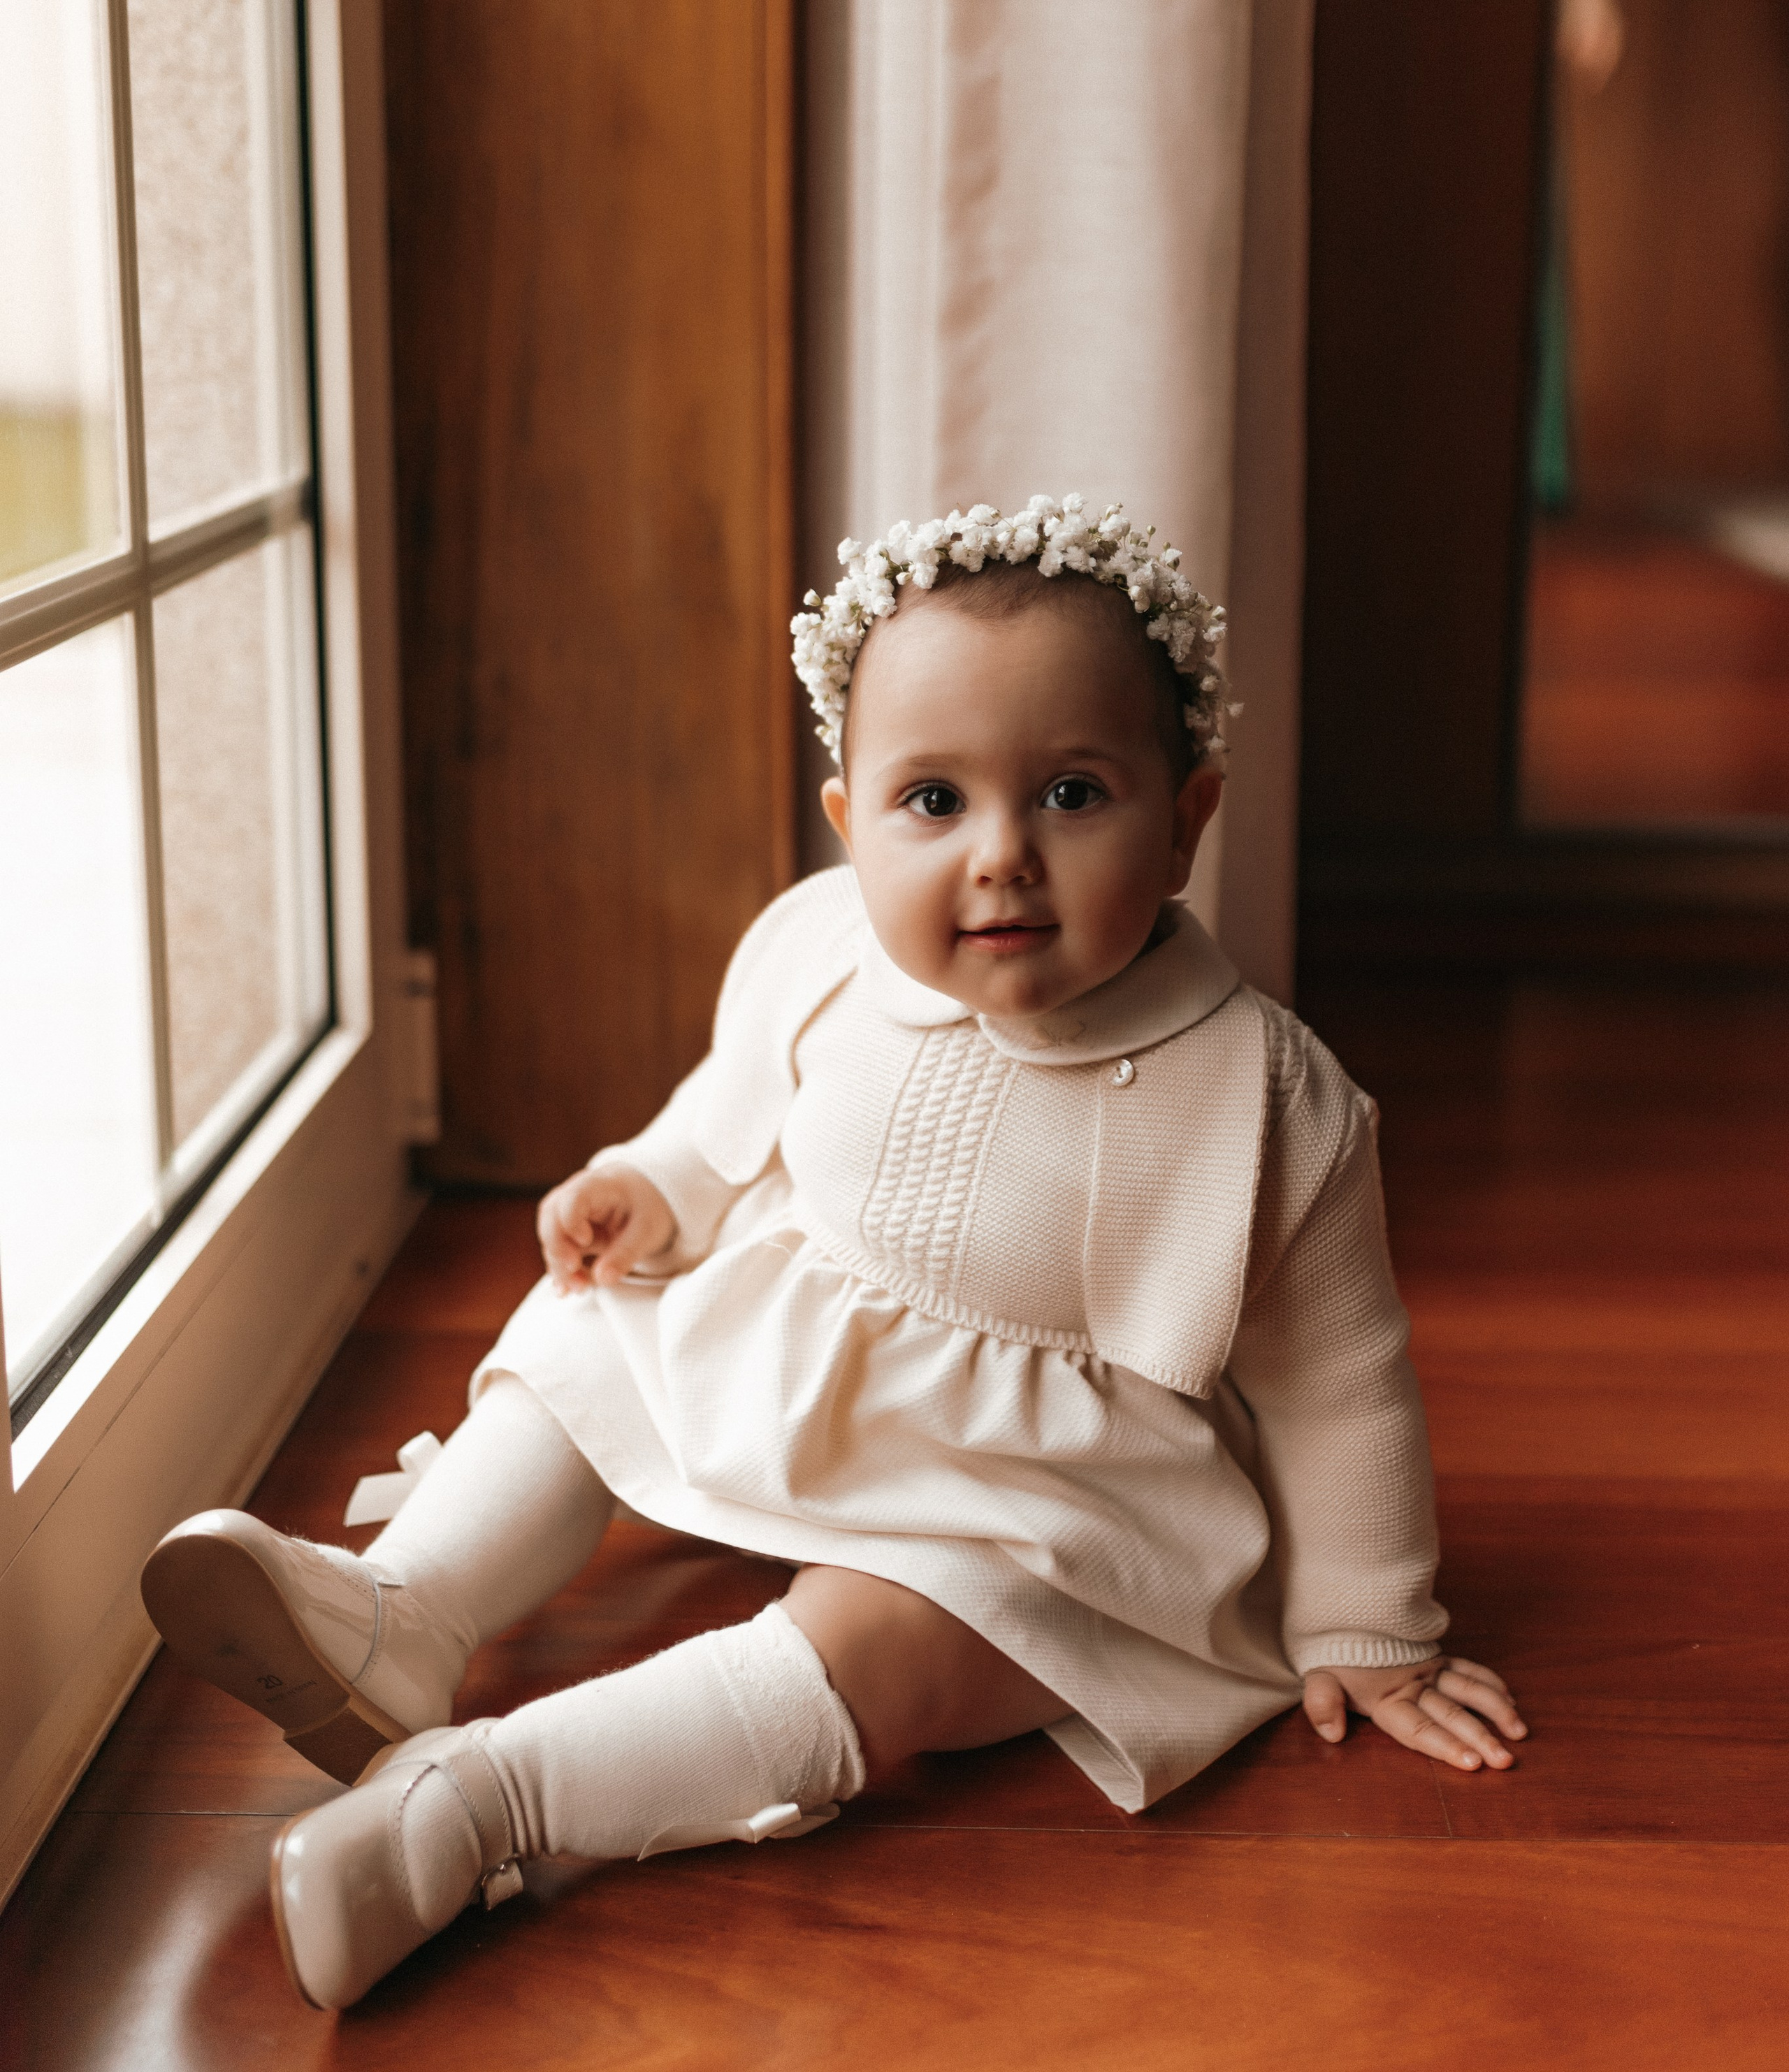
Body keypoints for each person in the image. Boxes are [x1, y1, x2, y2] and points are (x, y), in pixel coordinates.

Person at [142, 496, 1525, 2013]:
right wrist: (654, 1184)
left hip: (1030, 1495)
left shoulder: (1264, 1095)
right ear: (847, 816)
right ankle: (403, 1609)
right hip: (811, 1353)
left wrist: (1368, 1625)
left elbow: (1341, 1382)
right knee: (589, 1332)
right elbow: (732, 1106)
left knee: (890, 1649)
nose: (999, 857)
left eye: (1070, 792)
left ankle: (477, 1808)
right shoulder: (819, 945)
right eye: (932, 802)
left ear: (1186, 817)